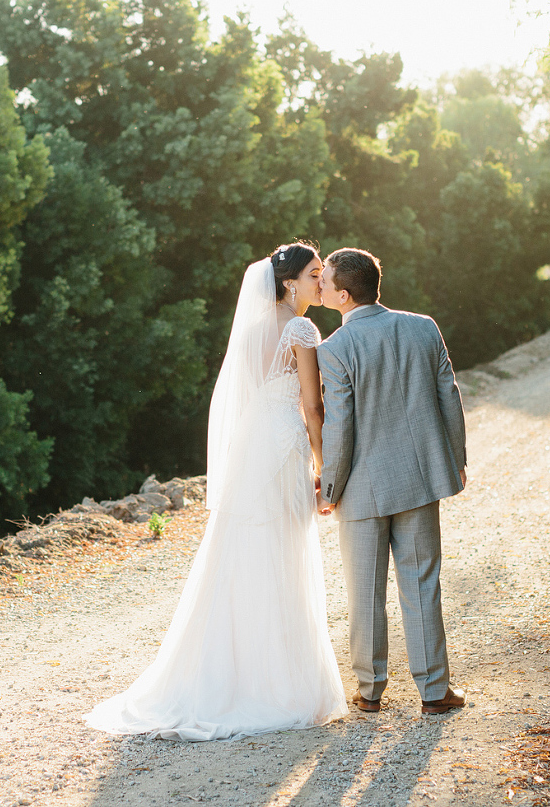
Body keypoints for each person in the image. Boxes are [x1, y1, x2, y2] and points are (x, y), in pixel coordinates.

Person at [84, 243, 346, 741]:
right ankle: (277, 683)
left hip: (252, 452)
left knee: (242, 555)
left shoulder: (249, 329)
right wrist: (323, 466)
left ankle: (224, 678)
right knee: (281, 555)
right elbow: (313, 408)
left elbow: (243, 397)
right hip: (285, 448)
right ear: (291, 282)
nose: (321, 282)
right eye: (315, 274)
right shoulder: (301, 328)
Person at [316, 247, 468, 715]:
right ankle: (435, 692)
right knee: (422, 583)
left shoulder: (334, 349)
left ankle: (370, 691)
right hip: (421, 478)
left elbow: (339, 426)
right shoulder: (423, 326)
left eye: (324, 280)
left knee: (364, 592)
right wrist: (455, 458)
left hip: (362, 489)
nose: (318, 283)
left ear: (343, 295)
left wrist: (329, 488)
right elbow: (449, 394)